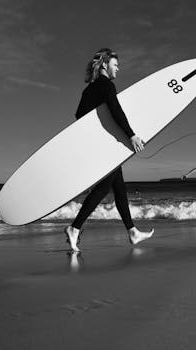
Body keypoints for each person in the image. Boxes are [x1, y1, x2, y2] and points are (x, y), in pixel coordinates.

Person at [65, 48, 154, 251]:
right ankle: (74, 228)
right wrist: (131, 135)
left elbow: (80, 115)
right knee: (105, 186)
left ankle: (132, 232)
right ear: (105, 64)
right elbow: (116, 110)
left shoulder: (89, 89)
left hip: (97, 144)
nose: (118, 69)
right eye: (115, 65)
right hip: (105, 146)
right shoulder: (107, 85)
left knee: (118, 187)